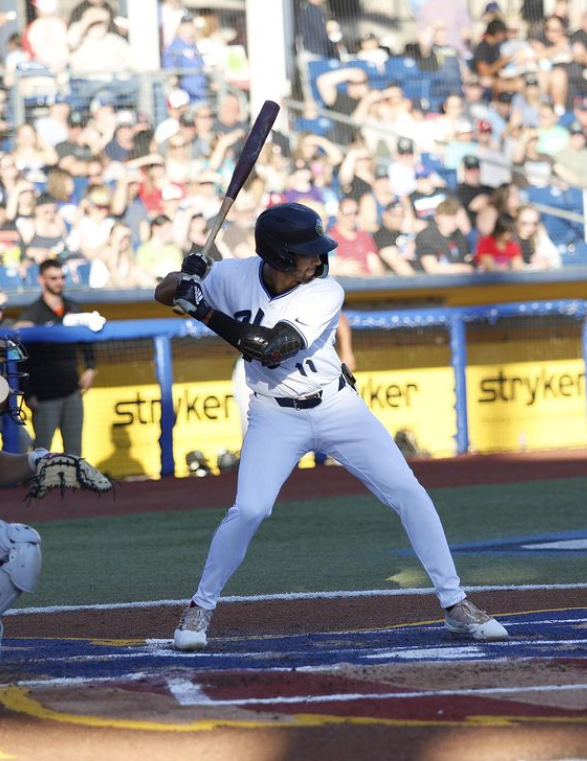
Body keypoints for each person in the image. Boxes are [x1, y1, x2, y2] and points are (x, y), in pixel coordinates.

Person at [154, 201, 509, 650]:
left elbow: (271, 349)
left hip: (339, 408)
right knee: (249, 510)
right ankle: (200, 607)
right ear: (279, 256)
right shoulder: (232, 275)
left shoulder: (326, 291)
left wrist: (203, 309)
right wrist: (187, 277)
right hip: (273, 414)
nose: (318, 259)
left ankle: (455, 604)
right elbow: (163, 293)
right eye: (307, 252)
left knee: (407, 490)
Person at [15, 260, 98, 456]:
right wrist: (29, 394)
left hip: (72, 391)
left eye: (62, 277)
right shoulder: (32, 314)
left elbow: (87, 342)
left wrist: (90, 368)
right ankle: (38, 487)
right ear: (41, 279)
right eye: (53, 278)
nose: (59, 282)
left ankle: (74, 487)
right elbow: (22, 359)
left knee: (75, 452)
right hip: (44, 397)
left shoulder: (74, 308)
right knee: (41, 452)